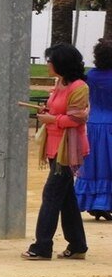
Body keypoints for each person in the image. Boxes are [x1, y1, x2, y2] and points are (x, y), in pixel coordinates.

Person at [22, 42, 90, 260]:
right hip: (54, 146)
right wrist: (48, 111)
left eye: (50, 60)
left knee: (51, 194)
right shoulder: (60, 83)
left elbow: (78, 118)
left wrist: (53, 119)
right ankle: (78, 244)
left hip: (68, 149)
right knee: (66, 197)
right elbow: (60, 109)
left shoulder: (79, 87)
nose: (48, 64)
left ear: (61, 63)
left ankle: (42, 246)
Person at [75, 38, 112, 220]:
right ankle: (105, 203)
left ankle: (94, 203)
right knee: (108, 165)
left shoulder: (90, 75)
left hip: (92, 125)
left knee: (93, 164)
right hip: (110, 126)